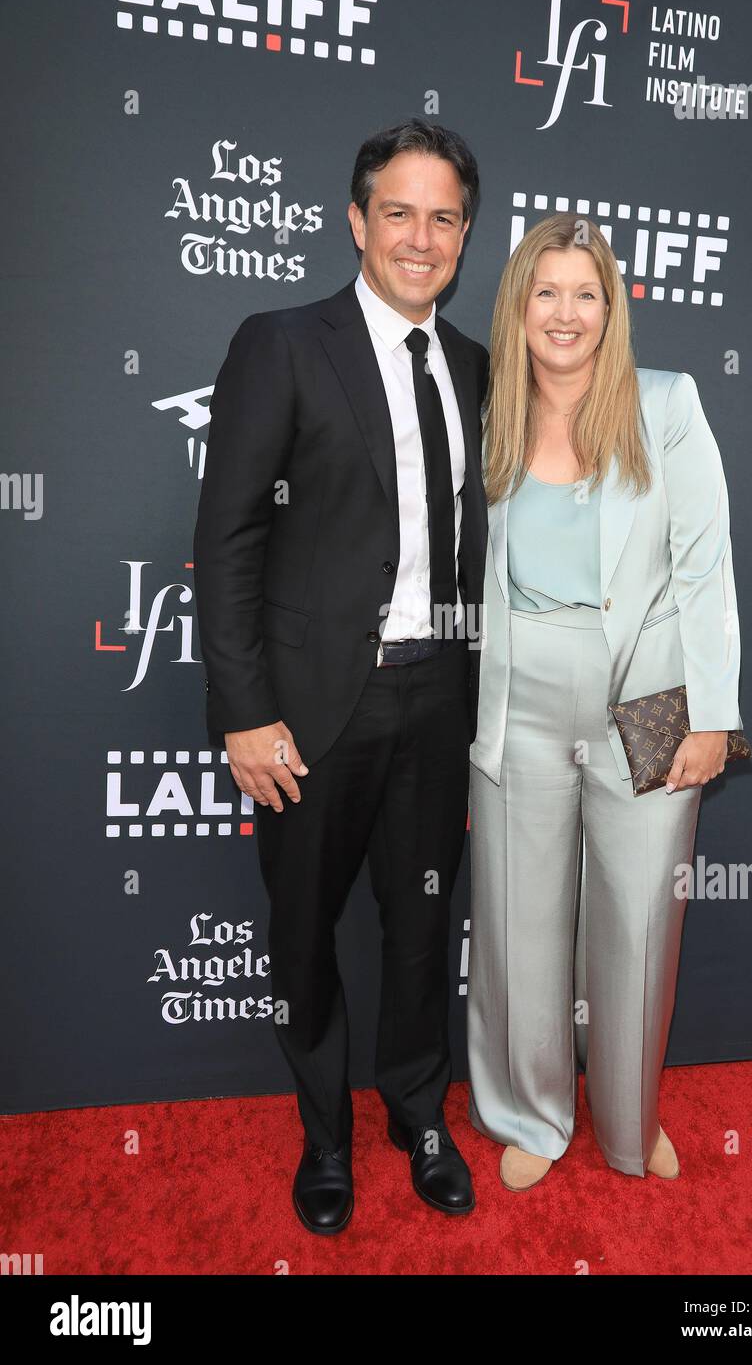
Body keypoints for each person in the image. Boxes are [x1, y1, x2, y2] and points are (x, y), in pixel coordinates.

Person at [193, 119, 489, 1234]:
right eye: (399, 212)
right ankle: (324, 1133)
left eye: (444, 217)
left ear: (466, 233)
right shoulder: (281, 342)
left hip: (437, 702)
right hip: (315, 709)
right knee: (303, 931)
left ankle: (418, 1115)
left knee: (420, 929)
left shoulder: (471, 365)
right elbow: (225, 539)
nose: (421, 237)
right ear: (357, 220)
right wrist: (245, 710)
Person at [467, 213, 742, 1190]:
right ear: (518, 304)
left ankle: (630, 1124)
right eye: (545, 291)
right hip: (519, 687)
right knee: (518, 916)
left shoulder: (664, 404)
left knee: (637, 918)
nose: (565, 312)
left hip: (649, 690)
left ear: (611, 306)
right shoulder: (489, 405)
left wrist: (710, 714)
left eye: (585, 292)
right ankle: (529, 1115)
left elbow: (703, 566)